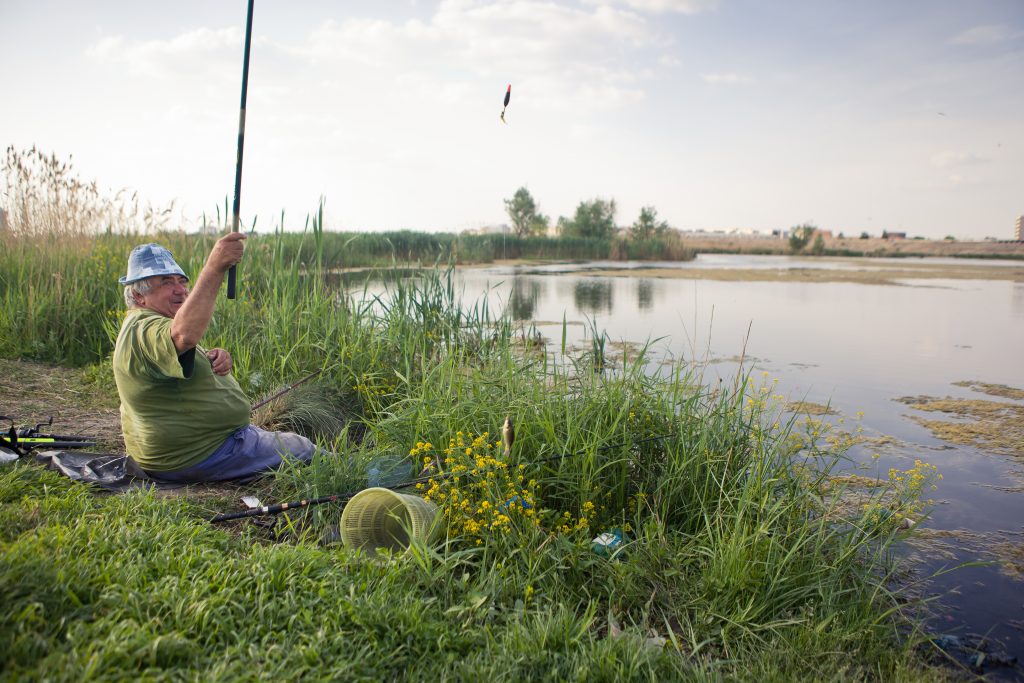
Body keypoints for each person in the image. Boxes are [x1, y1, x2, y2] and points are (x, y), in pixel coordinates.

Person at [113, 233, 316, 482]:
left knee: (286, 443)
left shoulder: (147, 325)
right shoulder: (144, 328)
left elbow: (177, 351)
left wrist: (211, 359)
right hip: (195, 454)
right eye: (166, 282)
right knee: (301, 447)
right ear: (138, 296)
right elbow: (183, 337)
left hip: (182, 450)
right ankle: (365, 475)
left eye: (181, 281)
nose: (180, 290)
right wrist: (214, 267)